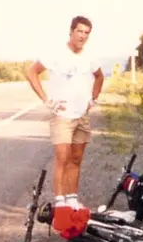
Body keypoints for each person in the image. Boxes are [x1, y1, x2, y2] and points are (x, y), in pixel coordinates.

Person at [26, 16, 104, 211]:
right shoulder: (56, 54)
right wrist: (46, 100)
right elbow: (32, 72)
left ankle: (72, 198)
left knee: (76, 159)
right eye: (80, 31)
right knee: (62, 157)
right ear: (71, 31)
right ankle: (60, 201)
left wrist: (93, 98)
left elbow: (99, 76)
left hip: (81, 116)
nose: (83, 36)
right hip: (62, 116)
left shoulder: (90, 57)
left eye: (87, 33)